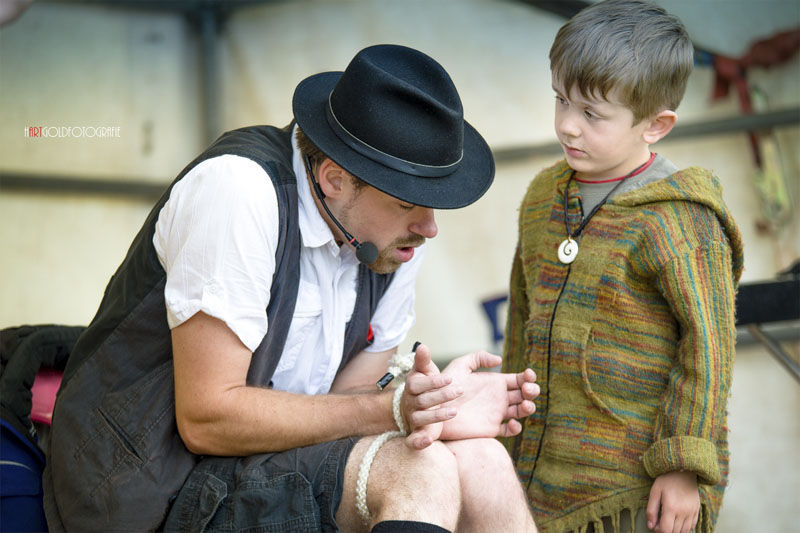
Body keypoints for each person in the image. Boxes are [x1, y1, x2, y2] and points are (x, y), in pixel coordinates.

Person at [42, 44, 540, 533]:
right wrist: (393, 409)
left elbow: (342, 406)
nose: (429, 227)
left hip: (265, 462)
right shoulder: (238, 191)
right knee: (420, 471)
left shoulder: (393, 238)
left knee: (484, 461)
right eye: (407, 202)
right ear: (334, 179)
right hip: (147, 488)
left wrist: (438, 405)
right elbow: (207, 418)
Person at [500, 2, 744, 532]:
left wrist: (682, 465)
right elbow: (521, 321)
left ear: (655, 125)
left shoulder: (681, 218)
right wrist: (502, 433)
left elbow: (709, 348)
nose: (568, 125)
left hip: (633, 495)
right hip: (534, 479)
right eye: (561, 100)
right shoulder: (543, 196)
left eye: (592, 114)